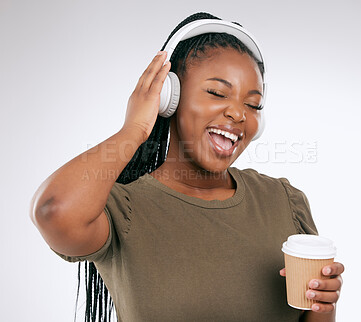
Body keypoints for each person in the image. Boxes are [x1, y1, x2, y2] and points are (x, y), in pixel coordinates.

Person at [29, 12, 344, 322]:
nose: (238, 114)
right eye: (217, 93)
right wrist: (134, 129)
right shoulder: (124, 210)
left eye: (253, 104)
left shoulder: (283, 201)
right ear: (169, 96)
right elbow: (52, 209)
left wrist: (325, 305)